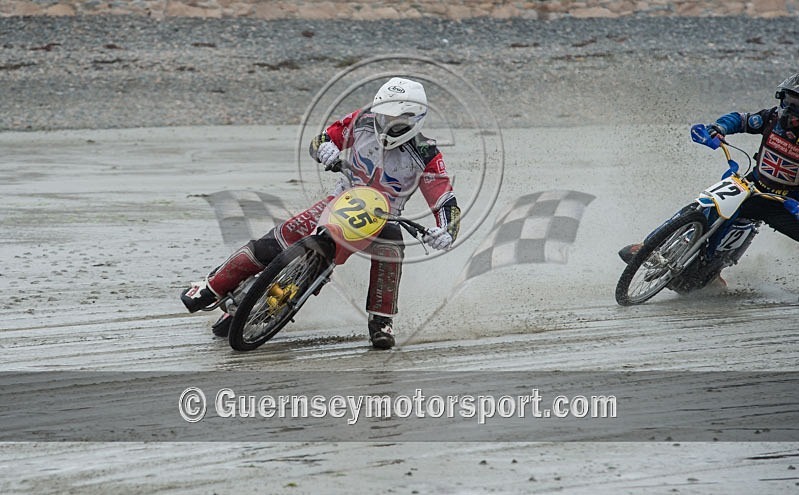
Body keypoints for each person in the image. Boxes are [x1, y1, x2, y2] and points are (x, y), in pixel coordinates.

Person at [180, 77, 460, 349]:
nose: (385, 124)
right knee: (277, 239)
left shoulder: (427, 154)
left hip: (384, 218)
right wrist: (325, 149)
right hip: (340, 200)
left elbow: (445, 200)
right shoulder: (361, 120)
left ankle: (382, 321)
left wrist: (446, 231)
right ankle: (210, 286)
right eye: (383, 116)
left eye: (394, 120)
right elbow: (323, 139)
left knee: (392, 252)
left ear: (414, 120)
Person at [619, 72, 799, 284]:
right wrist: (718, 128)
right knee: (708, 203)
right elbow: (741, 120)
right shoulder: (772, 118)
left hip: (786, 204)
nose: (789, 109)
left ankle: (713, 270)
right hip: (752, 185)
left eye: (796, 105)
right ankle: (650, 246)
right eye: (788, 100)